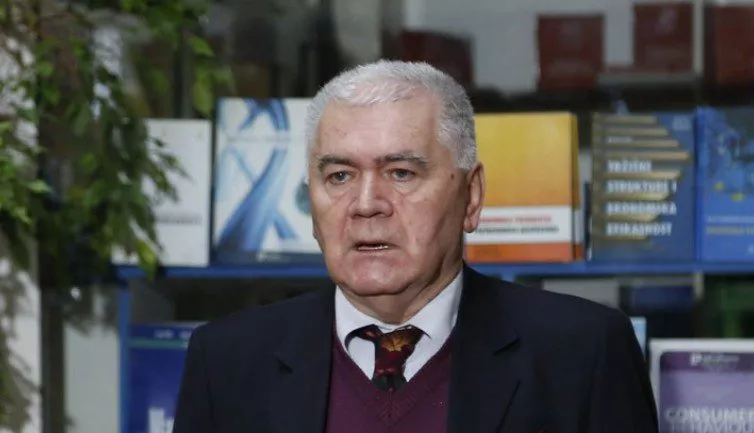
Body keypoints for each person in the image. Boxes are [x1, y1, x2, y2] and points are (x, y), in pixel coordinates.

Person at [171, 60, 659, 433]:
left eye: (401, 173)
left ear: (471, 196)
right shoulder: (227, 361)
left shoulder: (584, 353)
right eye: (339, 176)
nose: (366, 205)